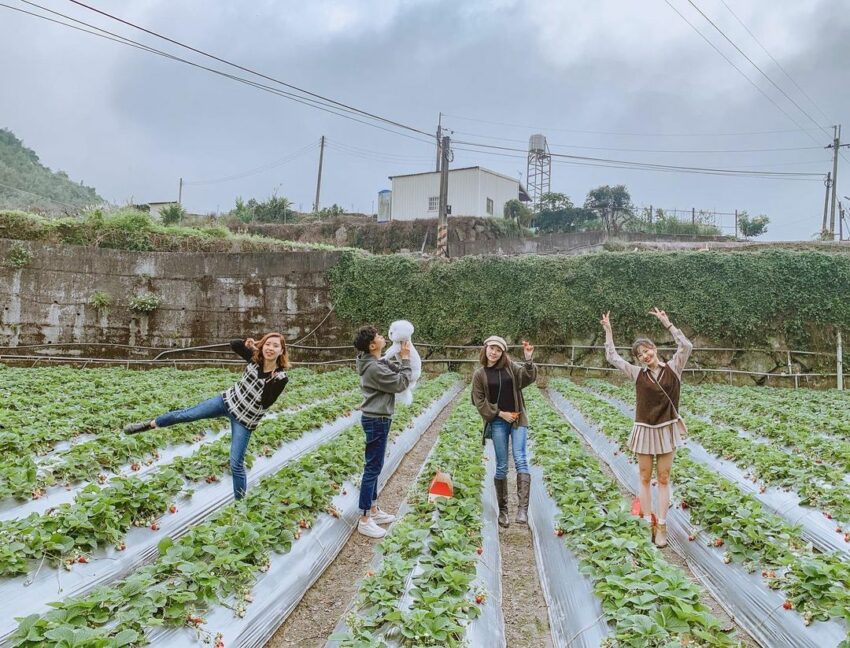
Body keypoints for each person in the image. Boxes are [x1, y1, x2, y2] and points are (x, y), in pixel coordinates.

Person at [122, 333, 290, 500]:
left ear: (281, 351)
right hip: (226, 401)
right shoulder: (255, 359)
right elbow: (234, 343)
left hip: (244, 419)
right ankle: (149, 425)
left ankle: (240, 506)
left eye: (276, 346)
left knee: (236, 463)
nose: (271, 348)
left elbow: (266, 402)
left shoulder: (281, 377)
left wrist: (271, 382)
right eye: (268, 344)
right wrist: (253, 345)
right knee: (187, 414)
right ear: (263, 346)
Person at [601, 308, 692, 548]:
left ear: (655, 350)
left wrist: (667, 323)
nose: (644, 355)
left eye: (647, 350)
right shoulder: (636, 373)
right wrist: (609, 331)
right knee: (644, 476)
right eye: (639, 354)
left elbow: (686, 346)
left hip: (666, 428)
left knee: (663, 477)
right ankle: (647, 522)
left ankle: (662, 524)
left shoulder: (674, 368)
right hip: (644, 428)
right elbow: (613, 358)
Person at [471, 336, 537, 527]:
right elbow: (479, 401)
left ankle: (522, 510)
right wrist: (500, 413)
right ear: (486, 349)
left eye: (498, 350)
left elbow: (528, 377)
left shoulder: (512, 368)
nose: (494, 352)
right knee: (501, 465)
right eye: (492, 348)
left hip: (518, 419)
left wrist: (528, 359)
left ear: (503, 353)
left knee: (521, 458)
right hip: (499, 422)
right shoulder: (480, 374)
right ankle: (503, 511)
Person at [353, 325, 412, 539]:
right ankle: (365, 518)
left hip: (377, 417)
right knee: (372, 467)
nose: (381, 336)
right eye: (378, 336)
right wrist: (405, 360)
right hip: (376, 419)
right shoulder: (374, 368)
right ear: (372, 345)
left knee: (375, 466)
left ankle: (374, 509)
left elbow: (389, 368)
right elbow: (400, 383)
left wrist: (399, 356)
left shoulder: (373, 362)